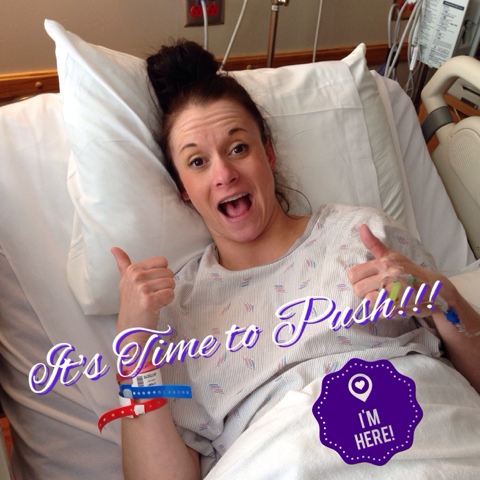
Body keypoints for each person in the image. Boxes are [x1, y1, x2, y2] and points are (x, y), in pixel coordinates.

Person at [109, 40, 480, 479]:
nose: (224, 174)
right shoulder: (176, 313)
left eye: (238, 148)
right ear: (183, 190)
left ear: (268, 153)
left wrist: (442, 298)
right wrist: (132, 343)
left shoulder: (362, 234)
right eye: (197, 162)